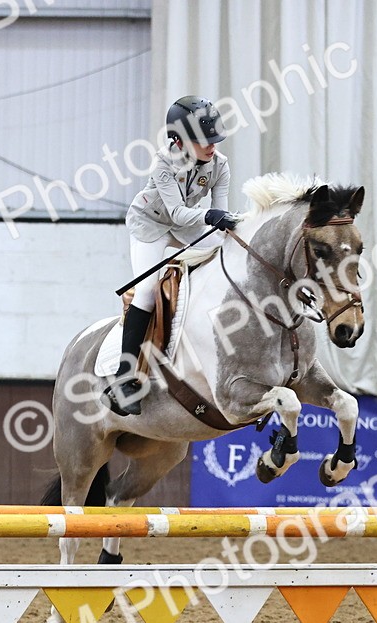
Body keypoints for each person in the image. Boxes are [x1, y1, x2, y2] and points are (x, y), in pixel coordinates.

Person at [104, 96, 238, 416]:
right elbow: (178, 213)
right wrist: (211, 217)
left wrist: (231, 228)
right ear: (178, 140)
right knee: (148, 291)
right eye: (203, 141)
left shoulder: (221, 165)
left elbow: (220, 212)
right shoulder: (164, 162)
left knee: (223, 260)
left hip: (187, 226)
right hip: (150, 225)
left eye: (214, 139)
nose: (212, 147)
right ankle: (124, 380)